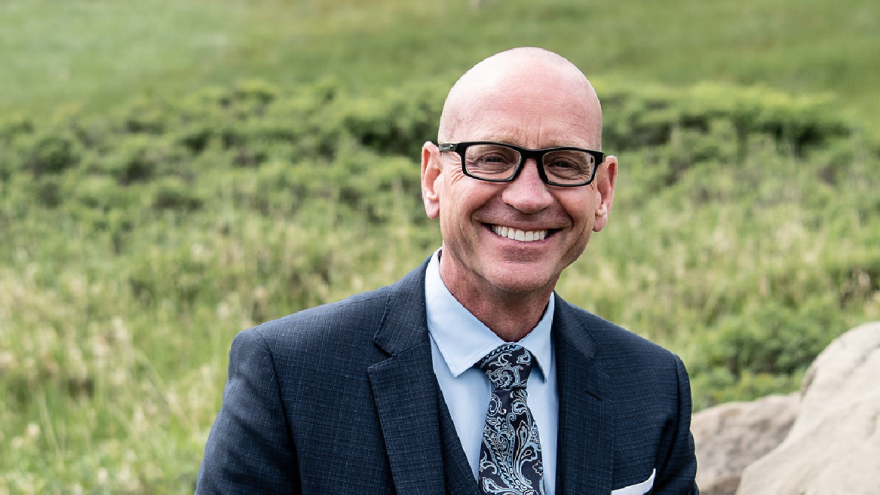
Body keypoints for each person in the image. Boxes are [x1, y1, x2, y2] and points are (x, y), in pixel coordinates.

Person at [196, 47, 699, 494]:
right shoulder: (291, 376)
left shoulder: (654, 386)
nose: (527, 197)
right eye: (494, 159)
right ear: (434, 179)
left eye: (564, 164)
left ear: (603, 193)